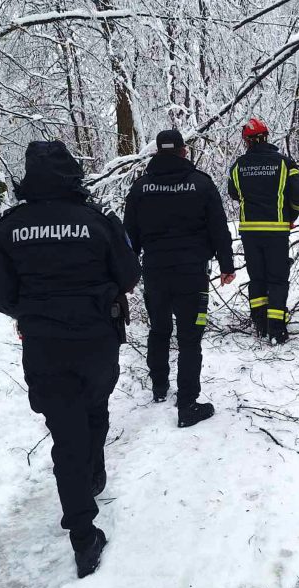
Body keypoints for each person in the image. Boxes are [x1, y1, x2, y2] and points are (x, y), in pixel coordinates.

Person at [0, 140, 140, 579]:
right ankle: (89, 489)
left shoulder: (9, 227)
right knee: (94, 411)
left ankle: (82, 526)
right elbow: (129, 275)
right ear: (73, 174)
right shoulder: (97, 221)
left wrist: (31, 309)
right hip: (96, 340)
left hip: (44, 345)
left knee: (65, 433)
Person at [123, 129, 235, 427]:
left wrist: (128, 274)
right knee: (189, 339)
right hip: (192, 275)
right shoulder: (201, 184)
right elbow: (218, 228)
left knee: (159, 330)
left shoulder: (141, 188)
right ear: (184, 151)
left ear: (157, 152)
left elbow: (128, 237)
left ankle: (160, 386)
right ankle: (187, 404)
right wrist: (227, 264)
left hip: (156, 273)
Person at [227, 118, 299, 344]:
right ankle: (277, 329)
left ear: (247, 141)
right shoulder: (285, 164)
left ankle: (260, 324)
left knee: (257, 278)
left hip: (250, 232)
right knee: (278, 279)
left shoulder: (238, 166)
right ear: (267, 137)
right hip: (277, 231)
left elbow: (234, 193)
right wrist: (291, 216)